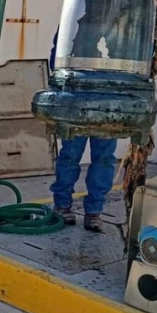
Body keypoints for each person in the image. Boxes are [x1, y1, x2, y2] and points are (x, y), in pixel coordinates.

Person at [48, 27, 118, 233]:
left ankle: (93, 211)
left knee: (102, 158)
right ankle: (63, 205)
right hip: (79, 99)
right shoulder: (77, 25)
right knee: (72, 155)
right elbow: (57, 57)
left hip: (107, 102)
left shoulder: (113, 27)